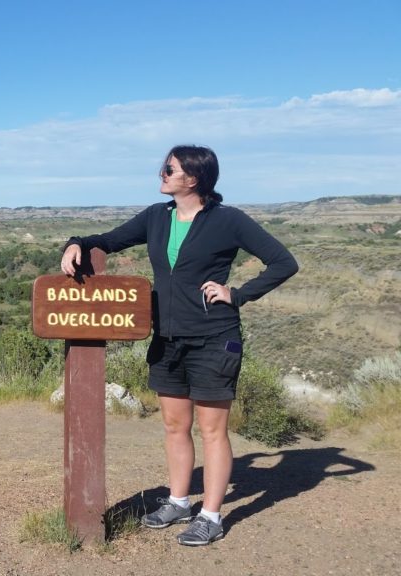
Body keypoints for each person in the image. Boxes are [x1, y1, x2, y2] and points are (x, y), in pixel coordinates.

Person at [59, 145, 298, 546]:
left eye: (169, 169)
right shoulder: (157, 217)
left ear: (193, 178)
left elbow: (283, 262)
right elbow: (109, 239)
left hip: (213, 339)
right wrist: (75, 242)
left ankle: (211, 515)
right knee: (174, 426)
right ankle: (179, 501)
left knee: (212, 430)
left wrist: (236, 293)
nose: (162, 174)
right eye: (164, 167)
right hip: (167, 340)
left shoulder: (228, 220)